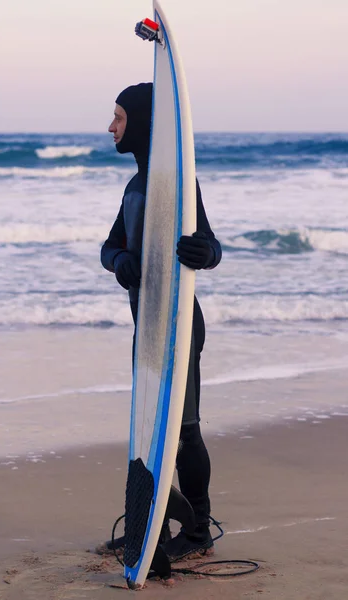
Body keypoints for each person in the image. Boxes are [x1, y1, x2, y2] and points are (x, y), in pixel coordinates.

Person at [100, 82, 222, 562]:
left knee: (184, 428)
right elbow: (109, 247)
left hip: (180, 329)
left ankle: (197, 531)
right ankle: (148, 523)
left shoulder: (180, 183)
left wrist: (203, 252)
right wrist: (120, 264)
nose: (111, 126)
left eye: (119, 117)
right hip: (145, 328)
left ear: (143, 122)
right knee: (148, 426)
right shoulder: (134, 188)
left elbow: (211, 245)